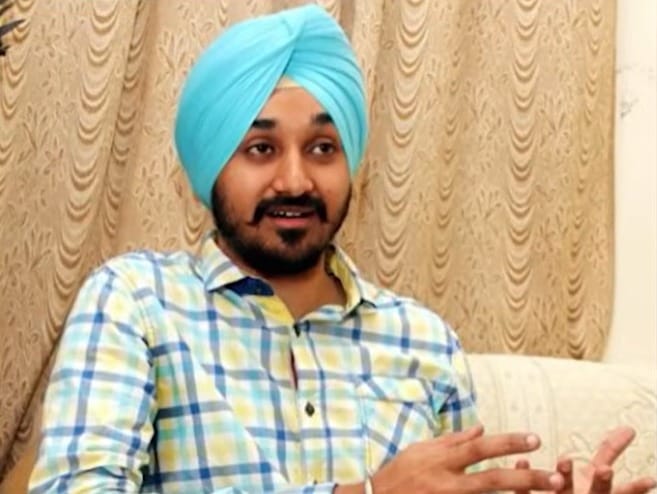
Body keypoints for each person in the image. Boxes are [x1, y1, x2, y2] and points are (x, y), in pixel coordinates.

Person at [27, 5, 656, 494]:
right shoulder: (137, 302)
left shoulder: (424, 340)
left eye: (323, 149)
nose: (295, 180)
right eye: (261, 148)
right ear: (210, 165)